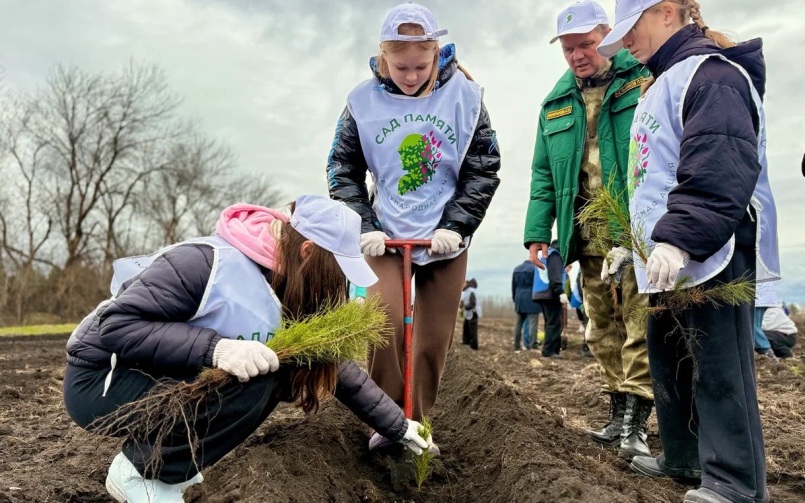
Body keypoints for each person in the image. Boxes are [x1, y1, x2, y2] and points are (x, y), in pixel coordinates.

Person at [63, 197, 435, 503]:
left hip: (156, 375)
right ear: (308, 251)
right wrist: (217, 349)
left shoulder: (289, 284)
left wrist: (399, 426)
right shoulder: (204, 263)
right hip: (103, 379)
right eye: (336, 271)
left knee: (280, 370)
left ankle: (175, 470)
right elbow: (116, 326)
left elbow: (336, 367)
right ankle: (139, 471)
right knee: (259, 374)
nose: (338, 285)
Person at [596, 1, 781, 502]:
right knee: (672, 358)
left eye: (633, 27)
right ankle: (684, 458)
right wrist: (629, 245)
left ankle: (735, 484)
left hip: (710, 245)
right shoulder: (661, 85)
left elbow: (719, 161)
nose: (627, 41)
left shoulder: (712, 75)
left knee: (718, 365)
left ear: (669, 13)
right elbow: (651, 178)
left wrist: (681, 239)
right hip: (668, 252)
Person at [326, 1, 501, 447]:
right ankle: (387, 424)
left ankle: (416, 425)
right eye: (400, 66)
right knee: (384, 326)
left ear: (437, 56)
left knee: (430, 341)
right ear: (384, 58)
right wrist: (363, 224)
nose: (410, 75)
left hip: (444, 239)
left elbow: (483, 167)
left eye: (420, 66)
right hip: (384, 236)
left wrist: (457, 227)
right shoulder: (361, 103)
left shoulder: (465, 95)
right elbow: (343, 168)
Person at [523, 0, 654, 460]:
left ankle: (638, 419)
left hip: (636, 227)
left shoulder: (642, 78)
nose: (578, 55)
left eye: (587, 44)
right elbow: (543, 174)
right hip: (588, 230)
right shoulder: (556, 104)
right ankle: (617, 411)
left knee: (639, 322)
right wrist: (538, 232)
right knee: (601, 326)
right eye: (568, 49)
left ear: (608, 37)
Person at [531, 240, 566, 358]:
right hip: (550, 293)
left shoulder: (547, 254)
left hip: (541, 293)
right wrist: (560, 291)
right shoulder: (555, 255)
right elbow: (555, 275)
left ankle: (554, 350)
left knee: (551, 322)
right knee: (555, 323)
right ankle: (549, 351)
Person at [512, 259, 543, 352]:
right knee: (533, 323)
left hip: (519, 298)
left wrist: (515, 299)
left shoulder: (516, 269)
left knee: (518, 324)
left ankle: (516, 346)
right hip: (532, 299)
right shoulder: (535, 269)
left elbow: (513, 287)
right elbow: (538, 285)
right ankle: (533, 345)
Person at [755, 282, 780, 363]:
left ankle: (770, 356)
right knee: (754, 326)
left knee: (752, 327)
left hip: (756, 293)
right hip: (759, 293)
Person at [460, 278, 481, 350]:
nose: (461, 285)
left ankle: (474, 346)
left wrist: (465, 307)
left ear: (466, 283)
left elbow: (473, 303)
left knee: (473, 329)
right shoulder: (468, 291)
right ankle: (466, 342)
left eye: (463, 283)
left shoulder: (471, 291)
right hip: (469, 312)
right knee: (466, 326)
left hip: (473, 312)